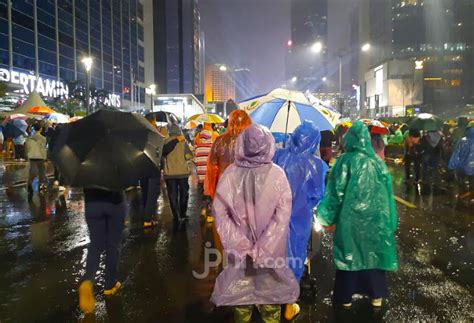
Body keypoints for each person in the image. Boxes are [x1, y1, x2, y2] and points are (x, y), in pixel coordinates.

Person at [211, 124, 299, 323]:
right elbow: (282, 216)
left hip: (240, 253)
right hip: (271, 251)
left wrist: (241, 245)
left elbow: (220, 213)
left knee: (241, 296)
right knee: (270, 294)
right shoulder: (277, 175)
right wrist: (265, 247)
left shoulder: (230, 175)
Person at [317, 121, 398, 309]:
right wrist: (391, 222)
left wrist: (325, 218)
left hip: (350, 224)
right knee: (373, 258)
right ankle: (376, 296)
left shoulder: (345, 162)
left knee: (349, 258)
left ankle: (345, 298)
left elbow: (334, 195)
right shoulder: (378, 164)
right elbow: (388, 198)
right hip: (377, 224)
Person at [273, 121, 327, 320]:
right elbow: (317, 196)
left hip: (275, 217)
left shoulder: (278, 157)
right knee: (296, 255)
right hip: (300, 219)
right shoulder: (318, 166)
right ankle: (289, 304)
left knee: (274, 254)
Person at [78, 188, 126, 314]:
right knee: (113, 244)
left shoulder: (87, 168)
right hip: (115, 202)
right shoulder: (118, 167)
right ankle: (110, 285)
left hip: (92, 203)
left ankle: (88, 280)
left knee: (95, 244)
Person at [205, 110, 252, 200]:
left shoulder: (220, 140)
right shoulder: (251, 141)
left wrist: (213, 190)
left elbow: (212, 167)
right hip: (246, 189)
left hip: (224, 186)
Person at [162, 124, 193, 228]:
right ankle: (183, 214)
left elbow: (163, 154)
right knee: (184, 193)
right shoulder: (183, 141)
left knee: (172, 194)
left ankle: (176, 216)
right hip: (182, 173)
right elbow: (189, 156)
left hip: (169, 173)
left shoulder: (165, 141)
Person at [140, 114, 163, 228]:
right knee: (152, 193)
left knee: (145, 192)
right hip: (153, 167)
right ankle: (147, 219)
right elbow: (160, 149)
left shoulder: (141, 133)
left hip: (142, 167)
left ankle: (146, 215)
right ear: (152, 122)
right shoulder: (154, 134)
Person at [448, 121, 474, 199]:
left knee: (462, 183)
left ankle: (464, 197)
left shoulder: (462, 141)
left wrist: (452, 165)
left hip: (464, 167)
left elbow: (457, 154)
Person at [25, 123, 48, 194]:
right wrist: (46, 159)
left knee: (32, 172)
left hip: (32, 157)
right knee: (42, 173)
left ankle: (29, 184)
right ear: (41, 129)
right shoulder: (43, 139)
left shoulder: (29, 138)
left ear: (34, 129)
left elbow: (27, 148)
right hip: (40, 157)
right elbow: (43, 149)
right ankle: (41, 187)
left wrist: (27, 155)